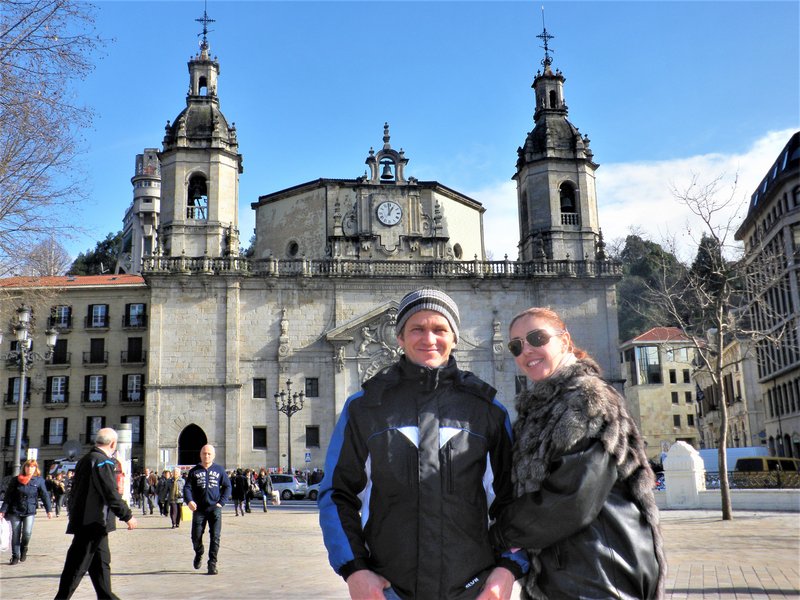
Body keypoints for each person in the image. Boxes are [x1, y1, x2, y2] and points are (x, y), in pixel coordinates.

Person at [319, 288, 528, 600]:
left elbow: (513, 498)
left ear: (455, 337)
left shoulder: (487, 411)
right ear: (399, 337)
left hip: (474, 589)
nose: (429, 339)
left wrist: (509, 567)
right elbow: (337, 494)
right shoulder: (365, 407)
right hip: (389, 589)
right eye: (417, 329)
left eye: (440, 329)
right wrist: (355, 569)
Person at [488, 307, 666, 599]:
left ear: (565, 340)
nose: (526, 350)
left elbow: (573, 499)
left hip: (601, 576)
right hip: (565, 575)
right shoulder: (541, 410)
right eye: (516, 346)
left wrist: (495, 536)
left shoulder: (587, 400)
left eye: (537, 337)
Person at [54, 428, 137, 600]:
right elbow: (110, 492)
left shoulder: (86, 459)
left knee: (101, 565)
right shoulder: (102, 462)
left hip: (89, 520)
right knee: (76, 567)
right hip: (93, 521)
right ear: (113, 444)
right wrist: (127, 515)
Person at [184, 444, 231, 575]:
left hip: (214, 508)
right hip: (199, 509)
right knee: (195, 536)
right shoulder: (194, 471)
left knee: (215, 537)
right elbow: (187, 488)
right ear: (200, 455)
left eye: (209, 454)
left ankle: (212, 564)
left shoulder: (220, 470)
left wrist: (222, 502)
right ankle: (199, 552)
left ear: (213, 455)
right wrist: (189, 501)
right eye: (204, 453)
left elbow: (227, 487)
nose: (206, 456)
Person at [0, 459, 53, 565]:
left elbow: (44, 495)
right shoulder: (16, 480)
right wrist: (3, 510)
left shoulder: (39, 480)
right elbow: (8, 496)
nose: (30, 468)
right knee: (16, 533)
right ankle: (15, 556)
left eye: (32, 467)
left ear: (35, 469)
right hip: (15, 510)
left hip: (30, 510)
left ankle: (24, 548)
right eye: (28, 466)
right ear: (24, 468)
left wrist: (49, 510)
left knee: (27, 533)